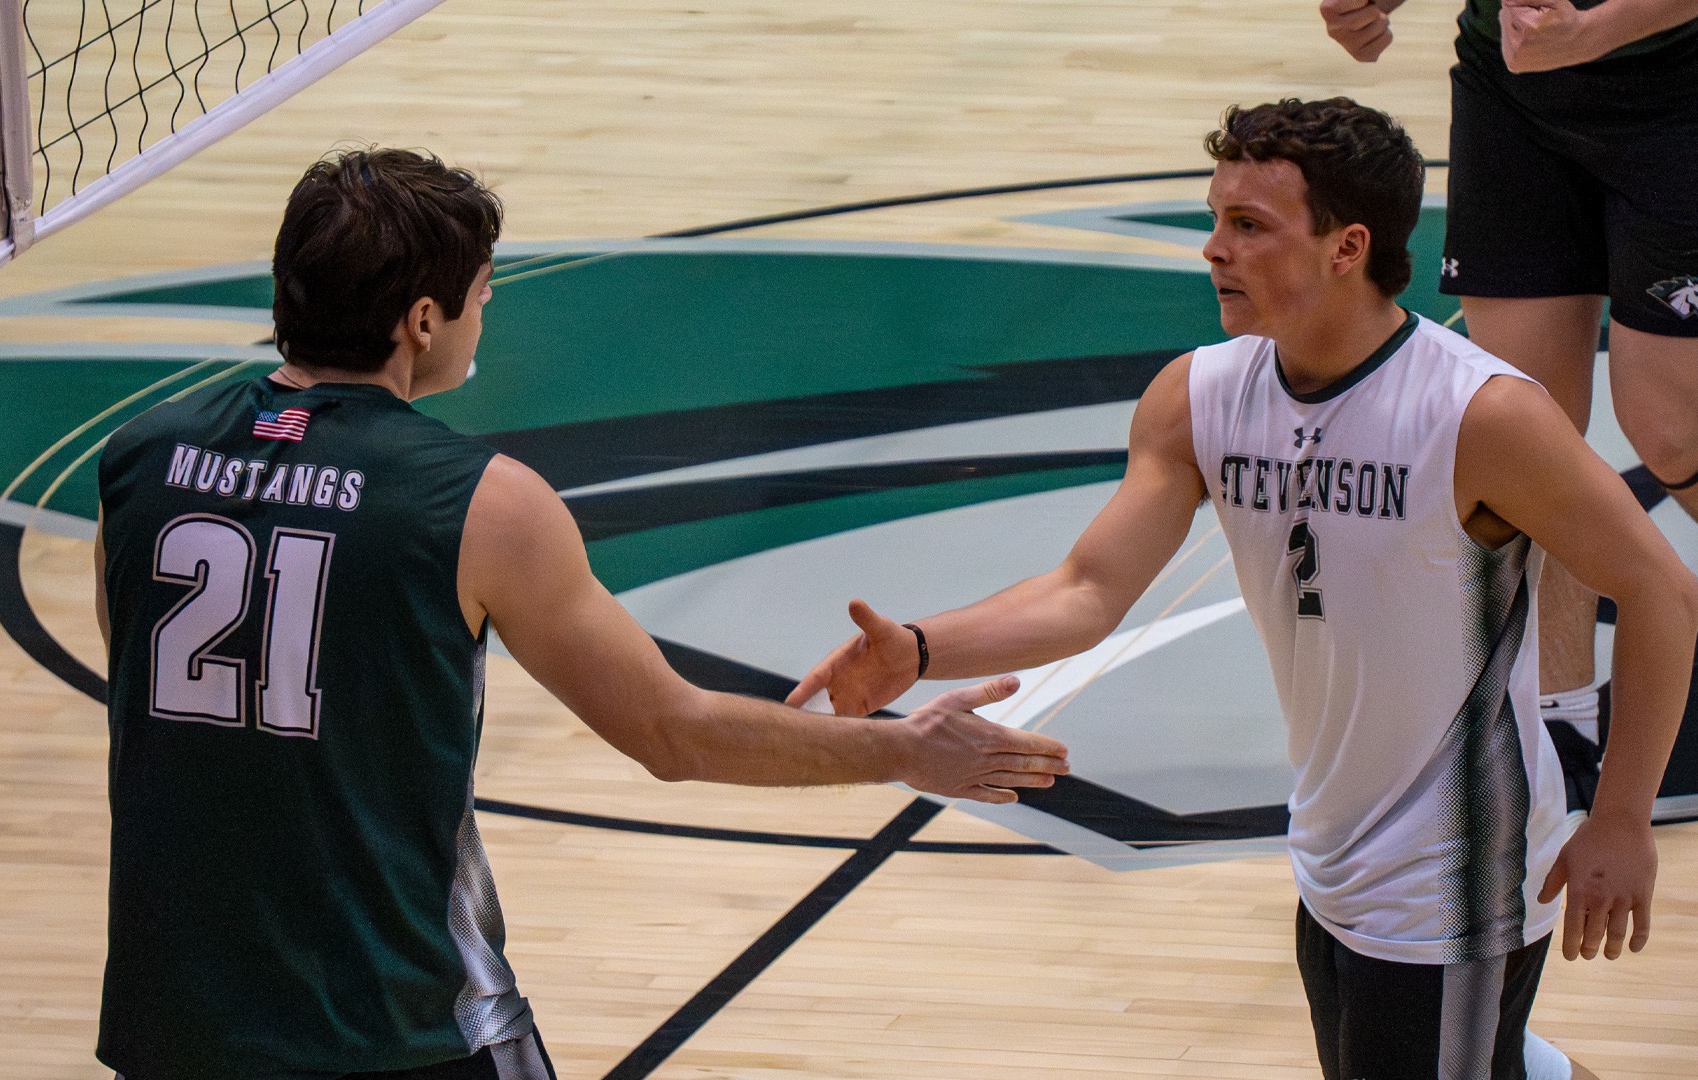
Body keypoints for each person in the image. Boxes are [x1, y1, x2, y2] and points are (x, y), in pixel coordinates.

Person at [91, 148, 1070, 1080]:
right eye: (482, 296)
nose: (486, 316)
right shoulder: (483, 503)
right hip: (400, 1022)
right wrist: (904, 751)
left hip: (180, 1021)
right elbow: (673, 732)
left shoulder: (138, 459)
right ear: (423, 321)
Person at [789, 99, 1698, 1079]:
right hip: (1332, 849)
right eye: (1216, 219)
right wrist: (920, 649)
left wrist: (1622, 818)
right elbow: (1088, 590)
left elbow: (1662, 590)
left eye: (1249, 225)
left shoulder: (1479, 415)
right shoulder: (1199, 396)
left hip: (1457, 872)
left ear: (1348, 247)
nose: (1215, 249)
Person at [1320, 0, 1698, 788]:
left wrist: (1591, 33)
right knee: (1530, 437)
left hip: (1682, 84)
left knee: (1672, 431)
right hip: (1513, 88)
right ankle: (1561, 723)